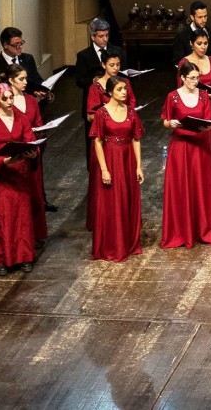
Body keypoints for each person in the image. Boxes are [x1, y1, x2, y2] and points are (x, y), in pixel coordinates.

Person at [0, 83, 39, 275]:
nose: (8, 101)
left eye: (10, 97)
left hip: (19, 173)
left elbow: (30, 140)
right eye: (4, 98)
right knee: (2, 217)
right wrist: (4, 160)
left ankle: (24, 256)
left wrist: (32, 153)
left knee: (21, 217)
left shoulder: (21, 118)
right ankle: (1, 259)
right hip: (2, 177)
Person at [161, 61, 211, 248]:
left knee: (200, 187)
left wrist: (207, 125)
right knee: (181, 188)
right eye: (192, 78)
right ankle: (181, 231)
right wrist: (171, 124)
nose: (196, 81)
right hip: (180, 148)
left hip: (199, 147)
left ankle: (202, 228)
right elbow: (165, 121)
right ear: (183, 78)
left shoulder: (203, 96)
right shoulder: (172, 97)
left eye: (197, 78)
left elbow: (210, 122)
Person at [89, 76, 144, 261]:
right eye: (120, 89)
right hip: (111, 158)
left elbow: (136, 139)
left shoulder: (131, 112)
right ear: (110, 92)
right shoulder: (101, 113)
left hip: (127, 158)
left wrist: (139, 166)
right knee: (111, 202)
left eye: (125, 89)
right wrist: (104, 169)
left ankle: (128, 242)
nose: (124, 92)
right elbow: (97, 141)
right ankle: (112, 244)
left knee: (127, 199)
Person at [178, 29, 211, 212]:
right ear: (191, 43)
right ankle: (200, 198)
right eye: (199, 43)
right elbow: (180, 92)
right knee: (200, 153)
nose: (203, 47)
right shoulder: (184, 63)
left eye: (205, 43)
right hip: (195, 110)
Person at [84, 47, 135, 230]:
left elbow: (132, 107)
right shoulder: (96, 86)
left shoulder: (124, 83)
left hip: (123, 136)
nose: (115, 68)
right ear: (103, 65)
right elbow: (90, 115)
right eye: (111, 65)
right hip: (104, 139)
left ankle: (124, 218)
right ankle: (103, 220)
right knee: (104, 181)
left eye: (118, 64)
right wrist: (108, 114)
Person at [0, 64, 47, 243]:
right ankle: (18, 237)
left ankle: (34, 235)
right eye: (21, 79)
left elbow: (39, 123)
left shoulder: (32, 100)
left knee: (34, 194)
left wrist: (40, 133)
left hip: (31, 151)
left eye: (26, 78)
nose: (25, 82)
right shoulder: (4, 103)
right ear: (11, 81)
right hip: (16, 155)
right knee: (18, 197)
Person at [74, 18, 122, 162]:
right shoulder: (84, 55)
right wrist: (93, 81)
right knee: (94, 142)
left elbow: (123, 72)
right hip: (93, 102)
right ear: (93, 36)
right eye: (101, 36)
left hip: (115, 100)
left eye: (107, 35)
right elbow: (79, 80)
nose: (105, 39)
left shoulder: (117, 51)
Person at [0, 26, 44, 103]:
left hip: (29, 105)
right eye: (16, 44)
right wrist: (9, 97)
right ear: (5, 45)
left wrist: (41, 90)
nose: (20, 47)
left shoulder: (28, 59)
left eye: (21, 43)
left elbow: (37, 80)